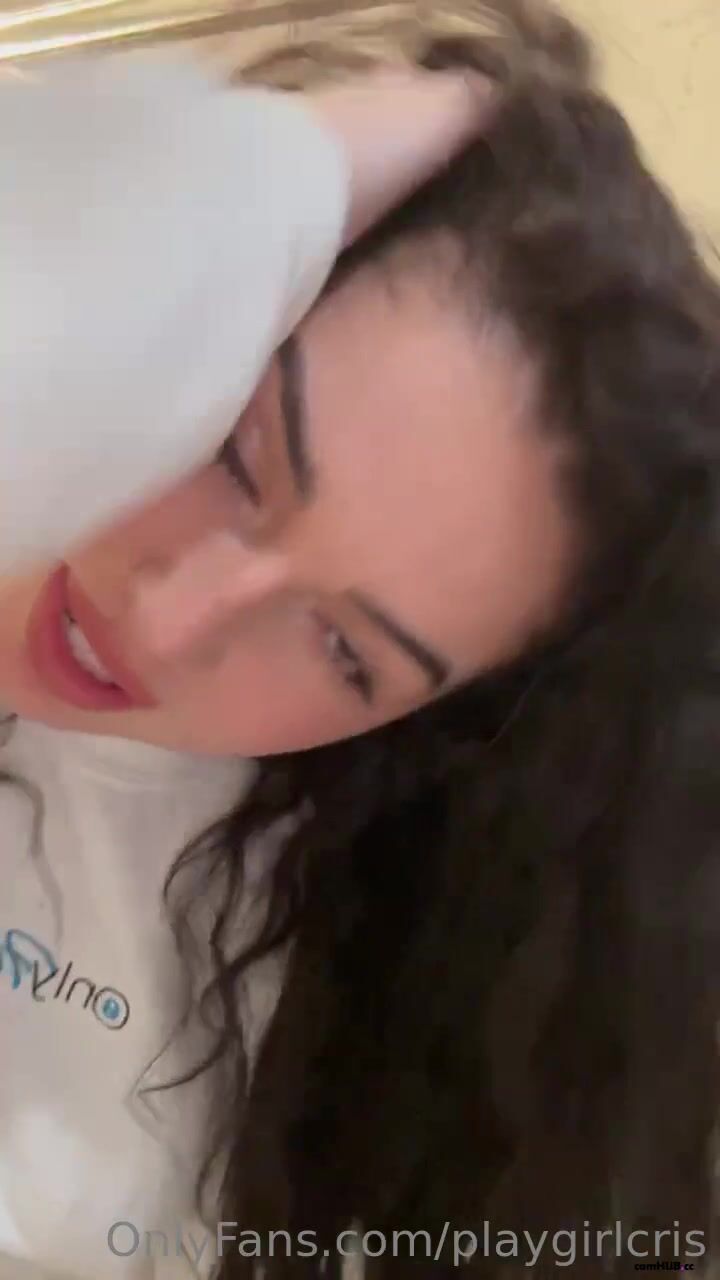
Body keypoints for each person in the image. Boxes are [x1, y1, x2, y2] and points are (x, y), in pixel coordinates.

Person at [1, 1, 719, 1277]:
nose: (169, 619)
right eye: (235, 451)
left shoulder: (347, 990)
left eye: (346, 653)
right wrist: (441, 119)